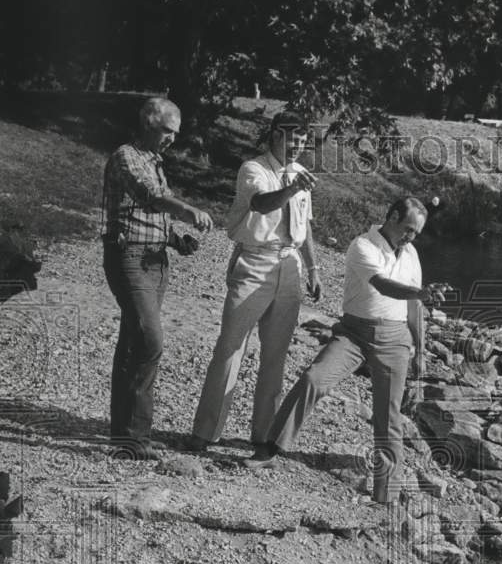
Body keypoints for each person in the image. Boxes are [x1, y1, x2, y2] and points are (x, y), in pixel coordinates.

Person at [244, 197, 444, 506]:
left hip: (395, 339)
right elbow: (383, 285)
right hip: (354, 333)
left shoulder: (411, 254)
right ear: (391, 216)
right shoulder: (362, 245)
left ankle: (385, 494)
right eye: (408, 229)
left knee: (388, 415)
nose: (411, 237)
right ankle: (270, 448)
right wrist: (420, 293)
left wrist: (420, 349)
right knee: (314, 379)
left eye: (416, 232)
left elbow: (413, 306)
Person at [183, 111, 322, 453]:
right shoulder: (253, 169)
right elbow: (261, 203)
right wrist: (291, 188)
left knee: (275, 356)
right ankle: (204, 433)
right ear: (275, 135)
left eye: (303, 142)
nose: (297, 147)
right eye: (292, 139)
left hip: (290, 268)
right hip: (255, 262)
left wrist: (314, 268)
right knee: (230, 348)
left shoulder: (302, 174)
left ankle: (263, 436)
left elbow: (305, 226)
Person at [102, 96, 213, 460]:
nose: (172, 139)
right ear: (149, 122)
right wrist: (187, 209)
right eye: (168, 131)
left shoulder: (155, 162)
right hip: (129, 258)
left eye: (175, 134)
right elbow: (148, 198)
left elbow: (149, 217)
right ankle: (135, 437)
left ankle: (125, 435)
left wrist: (177, 240)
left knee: (133, 343)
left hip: (157, 261)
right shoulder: (125, 157)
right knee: (150, 341)